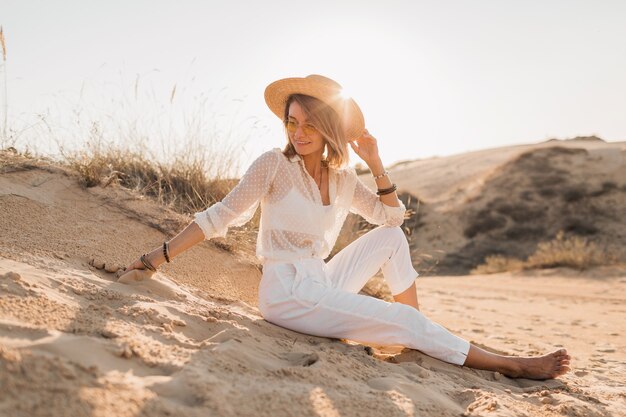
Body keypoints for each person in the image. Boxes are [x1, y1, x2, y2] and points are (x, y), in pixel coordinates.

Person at [118, 74, 570, 380]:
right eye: (292, 122)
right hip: (287, 291)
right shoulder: (273, 164)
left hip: (322, 278)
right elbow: (220, 215)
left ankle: (419, 331)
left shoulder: (343, 178)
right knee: (399, 317)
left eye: (310, 123)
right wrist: (153, 259)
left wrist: (375, 162)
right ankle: (510, 365)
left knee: (391, 240)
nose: (299, 131)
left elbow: (393, 220)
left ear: (329, 126)